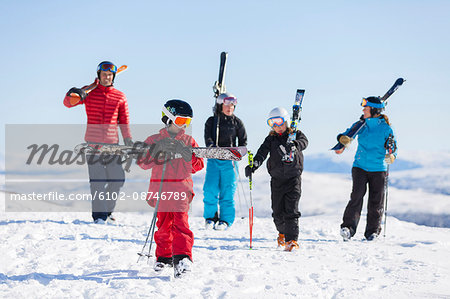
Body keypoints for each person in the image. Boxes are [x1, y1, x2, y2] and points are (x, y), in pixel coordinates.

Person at [137, 99, 204, 278]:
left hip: (181, 189)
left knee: (180, 224)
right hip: (161, 190)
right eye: (181, 121)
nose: (184, 126)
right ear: (168, 118)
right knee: (164, 225)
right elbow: (142, 162)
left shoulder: (189, 141)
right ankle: (164, 256)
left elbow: (198, 166)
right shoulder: (154, 140)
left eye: (187, 122)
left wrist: (187, 154)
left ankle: (183, 257)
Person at [63, 61, 133, 224]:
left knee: (117, 180)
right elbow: (67, 103)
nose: (107, 77)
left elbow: (124, 120)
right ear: (99, 76)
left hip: (113, 146)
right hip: (93, 145)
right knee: (98, 182)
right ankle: (99, 217)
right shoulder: (89, 93)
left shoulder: (120, 96)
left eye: (109, 75)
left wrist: (128, 138)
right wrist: (77, 91)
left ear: (113, 77)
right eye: (104, 75)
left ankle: (108, 211)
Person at [245, 107, 308, 251]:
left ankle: (291, 240)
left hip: (293, 179)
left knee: (291, 210)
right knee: (278, 212)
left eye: (279, 123)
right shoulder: (271, 139)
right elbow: (262, 153)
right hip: (277, 180)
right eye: (272, 124)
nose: (277, 127)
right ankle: (282, 233)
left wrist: (295, 145)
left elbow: (305, 142)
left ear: (286, 121)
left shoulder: (296, 135)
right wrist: (253, 165)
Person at [335, 96, 397, 241]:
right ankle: (348, 228)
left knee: (376, 201)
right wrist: (342, 143)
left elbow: (393, 147)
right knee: (356, 196)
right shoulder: (361, 125)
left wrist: (392, 155)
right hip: (360, 167)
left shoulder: (386, 128)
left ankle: (372, 232)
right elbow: (349, 135)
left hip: (378, 169)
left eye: (366, 108)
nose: (363, 110)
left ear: (374, 110)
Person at [203, 92, 247, 230]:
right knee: (210, 188)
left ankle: (225, 220)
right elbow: (208, 137)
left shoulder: (237, 122)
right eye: (227, 105)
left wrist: (237, 151)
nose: (230, 108)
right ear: (220, 105)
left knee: (227, 191)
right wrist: (212, 147)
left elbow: (243, 141)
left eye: (232, 105)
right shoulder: (212, 121)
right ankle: (210, 218)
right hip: (214, 160)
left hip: (230, 162)